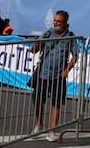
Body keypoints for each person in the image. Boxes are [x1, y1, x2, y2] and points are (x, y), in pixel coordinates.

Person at [31, 10, 79, 141]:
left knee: (56, 103)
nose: (56, 23)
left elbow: (75, 56)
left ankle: (52, 130)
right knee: (37, 99)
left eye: (59, 21)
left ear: (65, 23)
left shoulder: (70, 36)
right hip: (43, 73)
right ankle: (39, 124)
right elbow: (34, 49)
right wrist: (35, 45)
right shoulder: (47, 33)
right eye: (55, 20)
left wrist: (67, 70)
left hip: (58, 75)